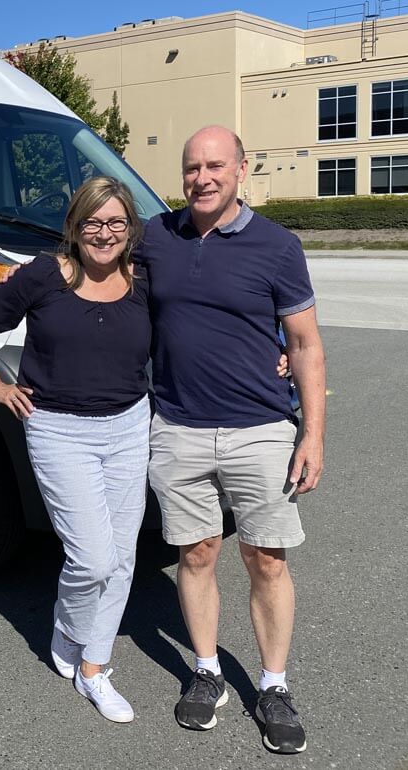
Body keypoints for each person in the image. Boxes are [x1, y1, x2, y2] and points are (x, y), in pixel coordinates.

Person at [138, 125, 326, 754]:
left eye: (216, 166)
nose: (203, 178)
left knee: (266, 559)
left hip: (262, 431)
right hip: (178, 430)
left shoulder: (277, 246)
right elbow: (96, 270)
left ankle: (273, 685)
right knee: (196, 555)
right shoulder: (155, 238)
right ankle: (206, 671)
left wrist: (313, 435)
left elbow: (304, 345)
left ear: (242, 169)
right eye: (192, 167)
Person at [0, 176, 150, 723]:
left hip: (129, 427)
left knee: (123, 558)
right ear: (74, 227)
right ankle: (68, 628)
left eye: (116, 222)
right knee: (93, 558)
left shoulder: (145, 278)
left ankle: (94, 666)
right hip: (60, 431)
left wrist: (275, 353)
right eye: (93, 223)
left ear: (130, 228)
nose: (104, 234)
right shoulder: (45, 275)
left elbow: (201, 321)